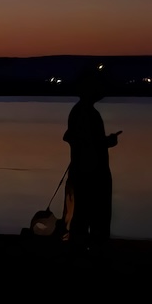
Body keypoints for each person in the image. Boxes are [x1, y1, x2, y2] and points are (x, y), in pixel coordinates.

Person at [64, 68, 120, 248]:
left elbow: (78, 139)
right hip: (91, 172)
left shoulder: (82, 111)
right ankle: (90, 250)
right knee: (92, 216)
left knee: (84, 215)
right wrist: (108, 142)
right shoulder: (85, 113)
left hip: (85, 170)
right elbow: (87, 142)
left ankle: (83, 248)